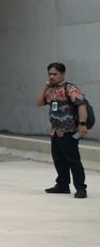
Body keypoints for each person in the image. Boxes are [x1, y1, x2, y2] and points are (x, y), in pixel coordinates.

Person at [37, 62, 88, 198]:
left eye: (55, 74)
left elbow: (81, 106)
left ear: (63, 74)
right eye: (50, 74)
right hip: (55, 132)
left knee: (73, 160)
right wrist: (44, 88)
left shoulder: (70, 88)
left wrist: (82, 124)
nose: (52, 77)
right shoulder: (50, 90)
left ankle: (81, 188)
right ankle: (62, 185)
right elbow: (39, 103)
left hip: (70, 131)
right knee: (58, 159)